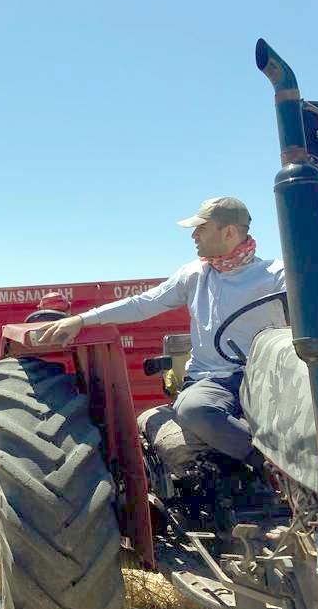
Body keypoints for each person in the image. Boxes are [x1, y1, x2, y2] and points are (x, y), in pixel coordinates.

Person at [37, 197, 286, 468]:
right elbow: (144, 304)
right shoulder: (194, 274)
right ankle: (271, 467)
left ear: (229, 232)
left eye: (201, 228)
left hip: (267, 378)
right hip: (214, 381)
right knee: (195, 409)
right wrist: (83, 320)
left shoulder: (276, 274)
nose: (194, 235)